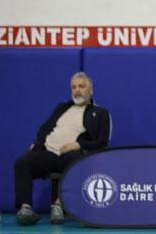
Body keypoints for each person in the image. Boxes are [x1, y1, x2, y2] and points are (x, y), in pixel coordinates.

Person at [14, 72, 111, 225]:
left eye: (81, 86)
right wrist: (37, 144)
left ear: (91, 91)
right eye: (74, 87)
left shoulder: (100, 113)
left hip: (73, 154)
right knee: (22, 163)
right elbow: (44, 129)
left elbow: (102, 141)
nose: (77, 90)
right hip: (49, 152)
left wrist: (79, 145)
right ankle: (25, 209)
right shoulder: (62, 108)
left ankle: (59, 205)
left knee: (75, 161)